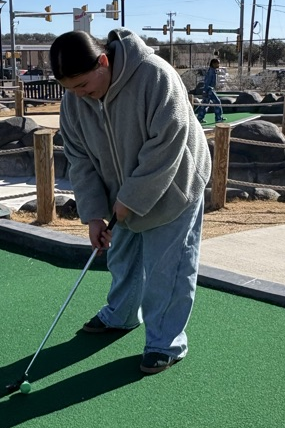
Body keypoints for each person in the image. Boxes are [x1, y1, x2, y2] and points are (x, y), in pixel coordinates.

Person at [49, 29, 212, 375]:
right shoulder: (74, 101)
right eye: (70, 88)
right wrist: (94, 214)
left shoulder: (155, 76)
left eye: (83, 85)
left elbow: (166, 145)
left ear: (103, 62)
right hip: (117, 192)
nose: (78, 95)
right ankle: (121, 315)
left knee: (167, 267)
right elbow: (80, 160)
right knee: (122, 256)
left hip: (175, 185)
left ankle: (165, 343)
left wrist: (131, 199)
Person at [195, 57, 225, 124]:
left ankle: (199, 118)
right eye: (217, 63)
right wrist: (205, 90)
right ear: (213, 64)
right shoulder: (211, 72)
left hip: (209, 89)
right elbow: (207, 81)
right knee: (217, 102)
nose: (218, 65)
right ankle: (218, 118)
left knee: (205, 104)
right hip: (209, 89)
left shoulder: (213, 71)